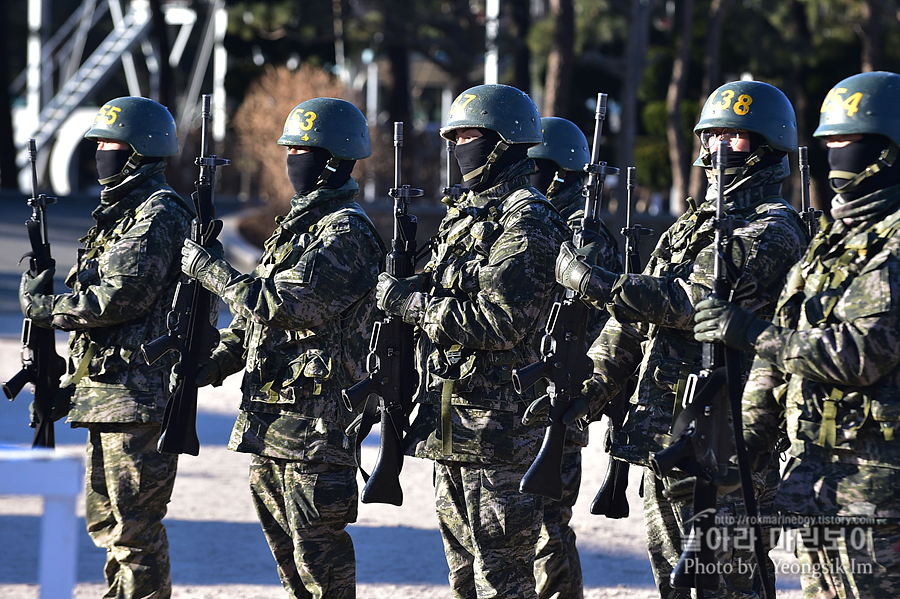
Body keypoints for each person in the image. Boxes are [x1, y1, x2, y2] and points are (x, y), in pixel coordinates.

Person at [555, 80, 809, 598]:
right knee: (675, 586)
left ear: (767, 145)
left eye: (733, 136)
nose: (717, 147)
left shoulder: (773, 229)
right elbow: (632, 322)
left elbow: (690, 302)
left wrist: (599, 283)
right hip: (666, 438)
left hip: (730, 444)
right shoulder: (691, 226)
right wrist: (590, 388)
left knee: (731, 588)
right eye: (711, 134)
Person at [694, 70, 900, 599]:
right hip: (816, 475)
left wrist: (749, 332)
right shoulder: (835, 237)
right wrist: (748, 445)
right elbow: (783, 345)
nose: (837, 157)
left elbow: (860, 355)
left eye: (850, 143)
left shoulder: (893, 243)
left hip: (880, 489)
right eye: (830, 143)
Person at [178, 97, 384, 598]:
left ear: (334, 159)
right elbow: (258, 323)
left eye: (301, 150)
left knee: (321, 568)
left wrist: (211, 270)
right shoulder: (298, 229)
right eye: (289, 148)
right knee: (291, 568)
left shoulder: (346, 233)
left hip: (317, 429)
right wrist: (213, 362)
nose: (291, 158)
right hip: (273, 424)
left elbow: (288, 306)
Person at [375, 83, 568, 598]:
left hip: (500, 430)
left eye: (469, 135)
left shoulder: (527, 218)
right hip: (451, 418)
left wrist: (411, 306)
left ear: (505, 141)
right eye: (453, 136)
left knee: (503, 580)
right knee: (463, 575)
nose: (459, 146)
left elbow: (502, 321)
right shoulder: (469, 215)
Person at [17, 97, 192, 599]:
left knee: (134, 530)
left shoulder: (156, 214)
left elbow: (118, 299)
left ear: (140, 150)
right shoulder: (122, 212)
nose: (98, 150)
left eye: (108, 142)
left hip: (137, 398)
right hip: (108, 393)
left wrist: (46, 306)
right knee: (109, 526)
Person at [526, 116, 622, 599]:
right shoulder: (526, 221)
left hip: (565, 392)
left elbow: (603, 321)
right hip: (528, 392)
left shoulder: (589, 236)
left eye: (536, 167)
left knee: (547, 526)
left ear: (560, 172)